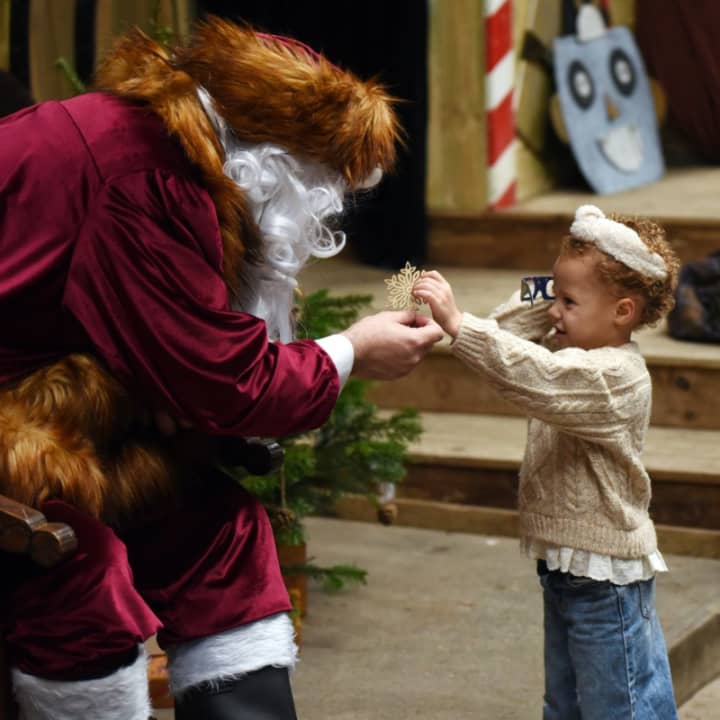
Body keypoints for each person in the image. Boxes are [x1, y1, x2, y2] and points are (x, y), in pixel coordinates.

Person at [0, 17, 442, 720]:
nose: (322, 215)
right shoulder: (144, 179)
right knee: (81, 575)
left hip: (51, 401)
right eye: (319, 187)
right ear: (275, 161)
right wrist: (352, 351)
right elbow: (226, 382)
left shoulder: (180, 156)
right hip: (18, 427)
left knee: (221, 537)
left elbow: (173, 346)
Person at [413, 204, 681, 720]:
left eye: (570, 301)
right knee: (565, 706)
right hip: (562, 568)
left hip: (607, 583)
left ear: (623, 312)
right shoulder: (573, 341)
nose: (554, 310)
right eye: (554, 297)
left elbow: (535, 375)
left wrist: (457, 323)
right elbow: (505, 326)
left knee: (619, 707)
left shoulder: (614, 376)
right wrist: (563, 286)